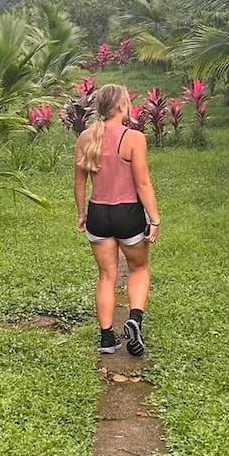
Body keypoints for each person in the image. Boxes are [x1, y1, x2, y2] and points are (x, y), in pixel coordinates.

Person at [73, 83, 160, 356]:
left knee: (107, 276)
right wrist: (154, 219)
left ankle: (107, 338)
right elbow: (142, 183)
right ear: (122, 106)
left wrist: (81, 214)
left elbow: (78, 182)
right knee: (138, 269)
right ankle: (134, 319)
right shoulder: (133, 138)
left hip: (98, 214)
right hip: (128, 213)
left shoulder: (86, 137)